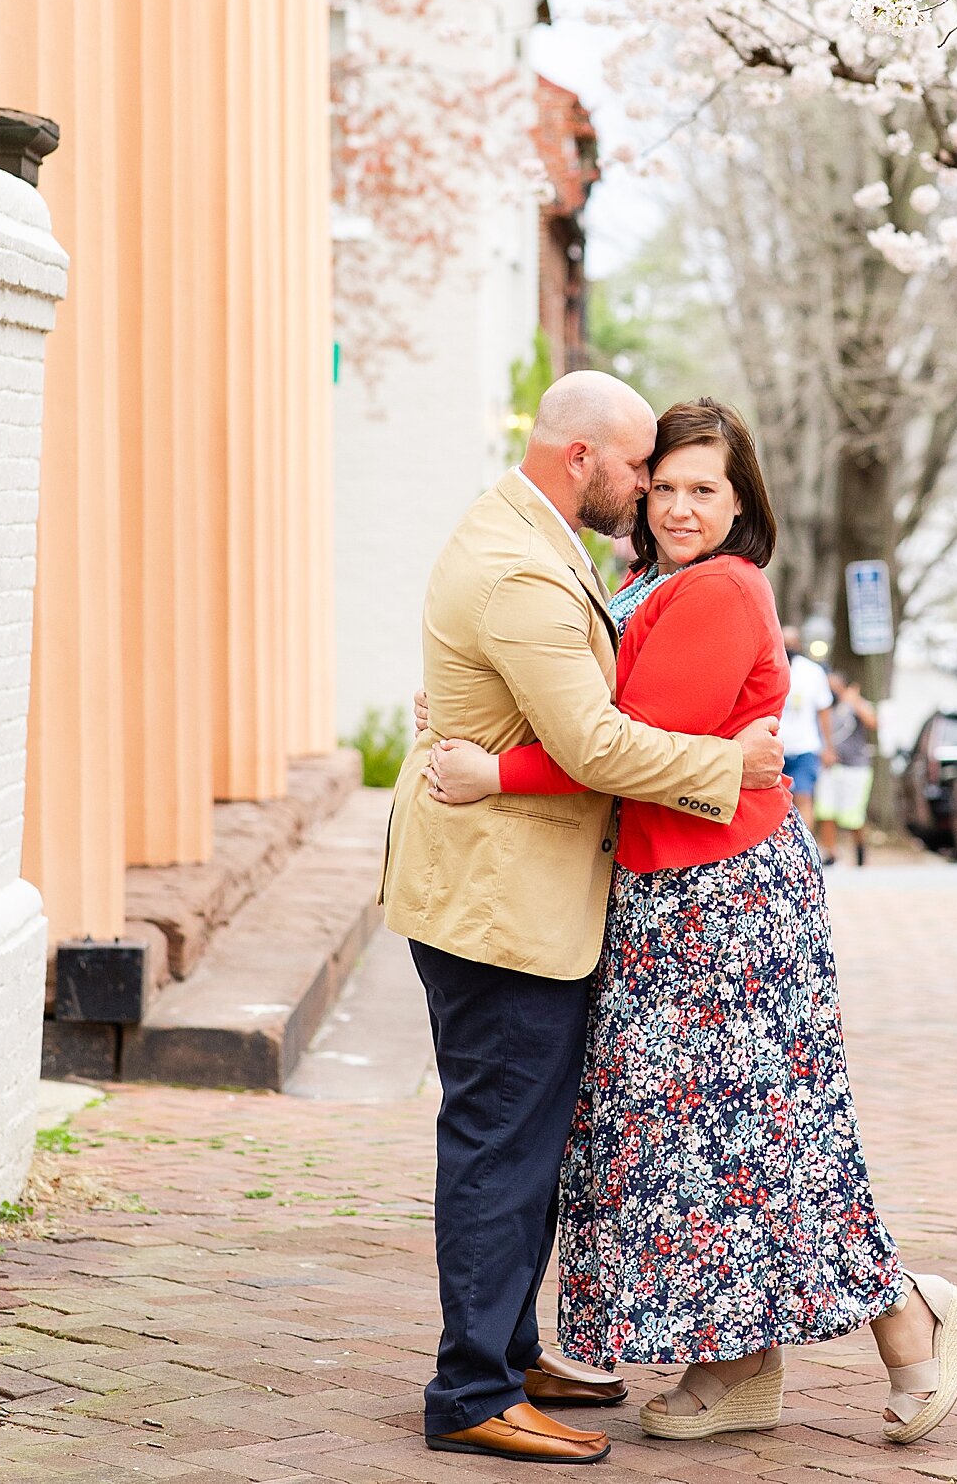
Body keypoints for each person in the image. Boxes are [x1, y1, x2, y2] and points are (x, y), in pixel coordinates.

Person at [429, 399, 957, 1450]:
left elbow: (618, 744)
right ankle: (735, 1367)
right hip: (669, 890)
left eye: (706, 490)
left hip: (723, 902)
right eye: (668, 484)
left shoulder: (720, 591)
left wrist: (492, 768)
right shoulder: (647, 582)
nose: (680, 506)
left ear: (743, 505)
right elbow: (582, 707)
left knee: (769, 1138)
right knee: (703, 1143)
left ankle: (913, 1320)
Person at [379, 371, 785, 1466]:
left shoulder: (537, 538)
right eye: (642, 468)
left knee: (522, 1136)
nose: (651, 488)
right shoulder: (522, 566)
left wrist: (475, 733)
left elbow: (562, 702)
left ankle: (508, 1351)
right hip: (501, 907)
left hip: (517, 894)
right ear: (584, 460)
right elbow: (598, 744)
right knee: (501, 1140)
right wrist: (728, 763)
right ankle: (471, 1392)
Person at [816, 672, 878, 868]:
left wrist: (854, 701)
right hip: (829, 766)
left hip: (855, 767)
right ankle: (831, 853)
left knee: (853, 816)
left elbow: (873, 722)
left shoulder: (853, 704)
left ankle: (860, 852)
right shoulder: (822, 707)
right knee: (826, 810)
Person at [779, 622, 834, 828]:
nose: (788, 647)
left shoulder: (813, 672)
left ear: (799, 645)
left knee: (804, 797)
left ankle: (805, 848)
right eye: (784, 642)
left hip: (805, 748)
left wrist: (828, 746)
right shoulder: (769, 667)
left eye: (792, 643)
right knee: (778, 803)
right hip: (776, 748)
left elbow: (824, 711)